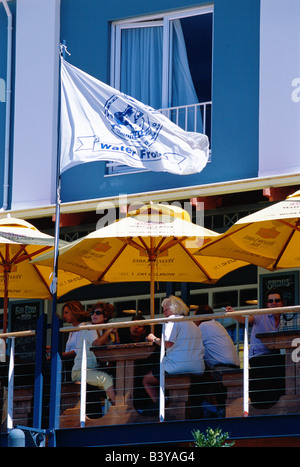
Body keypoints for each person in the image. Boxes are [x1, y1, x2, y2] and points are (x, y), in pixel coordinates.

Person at [142, 295, 205, 414]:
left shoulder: (172, 320)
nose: (164, 312)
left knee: (147, 380)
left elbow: (168, 343)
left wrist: (153, 338)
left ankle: (159, 405)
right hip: (198, 367)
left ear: (175, 308)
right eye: (163, 310)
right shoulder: (192, 323)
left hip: (178, 366)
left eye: (166, 309)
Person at [226, 288, 285, 408]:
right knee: (279, 366)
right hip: (258, 356)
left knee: (288, 363)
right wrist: (233, 313)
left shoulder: (287, 317)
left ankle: (281, 402)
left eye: (277, 300)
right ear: (267, 304)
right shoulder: (261, 314)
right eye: (270, 301)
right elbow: (245, 319)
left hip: (274, 356)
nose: (274, 303)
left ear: (282, 302)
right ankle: (266, 406)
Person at [194, 304, 240, 417]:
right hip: (233, 368)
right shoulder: (217, 325)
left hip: (221, 370)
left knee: (193, 384)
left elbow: (194, 350)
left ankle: (212, 412)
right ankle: (216, 409)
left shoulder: (203, 327)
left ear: (199, 318)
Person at [71, 302, 116, 405]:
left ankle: (113, 409)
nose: (94, 315)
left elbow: (113, 344)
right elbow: (96, 344)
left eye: (98, 313)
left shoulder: (101, 331)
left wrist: (114, 333)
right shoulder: (89, 328)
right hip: (80, 371)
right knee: (106, 379)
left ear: (105, 317)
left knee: (117, 378)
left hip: (94, 370)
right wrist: (109, 330)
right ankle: (119, 409)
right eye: (92, 313)